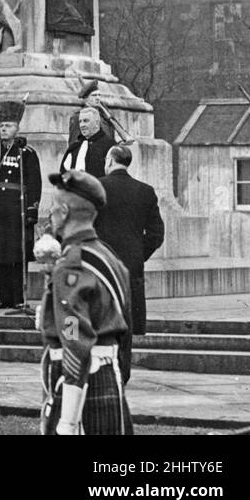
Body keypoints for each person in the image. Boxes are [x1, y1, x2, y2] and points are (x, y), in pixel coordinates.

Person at [39, 170, 133, 435]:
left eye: (54, 209)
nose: (52, 215)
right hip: (107, 376)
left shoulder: (71, 266)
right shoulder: (109, 257)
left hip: (79, 387)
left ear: (65, 212)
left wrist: (67, 421)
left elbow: (73, 337)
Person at [95, 144, 165, 382]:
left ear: (110, 160)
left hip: (101, 265)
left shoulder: (97, 188)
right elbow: (156, 233)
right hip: (131, 266)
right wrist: (137, 253)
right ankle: (121, 374)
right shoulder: (145, 191)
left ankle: (101, 373)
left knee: (100, 321)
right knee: (126, 326)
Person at [0, 99, 42, 311]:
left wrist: (32, 208)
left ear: (18, 129)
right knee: (0, 254)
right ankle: (4, 297)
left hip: (17, 208)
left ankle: (18, 298)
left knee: (17, 255)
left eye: (9, 126)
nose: (4, 129)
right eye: (2, 126)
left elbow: (35, 182)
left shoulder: (26, 153)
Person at [58, 106, 114, 178]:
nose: (82, 125)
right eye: (80, 121)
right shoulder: (75, 147)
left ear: (97, 123)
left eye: (86, 121)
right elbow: (64, 174)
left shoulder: (109, 145)